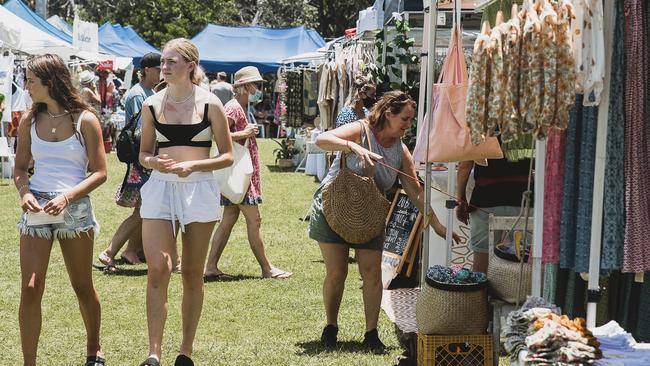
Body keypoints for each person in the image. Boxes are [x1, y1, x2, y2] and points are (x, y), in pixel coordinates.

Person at [309, 91, 458, 352]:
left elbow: (415, 191)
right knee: (336, 273)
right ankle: (330, 327)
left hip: (370, 215)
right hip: (334, 207)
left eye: (411, 120)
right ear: (388, 113)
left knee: (372, 274)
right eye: (405, 118)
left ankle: (371, 333)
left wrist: (436, 225)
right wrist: (353, 146)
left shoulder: (400, 151)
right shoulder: (361, 129)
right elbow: (322, 139)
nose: (408, 125)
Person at [137, 38, 233, 366]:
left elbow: (227, 156)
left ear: (190, 65)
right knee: (158, 269)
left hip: (199, 188)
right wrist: (152, 163)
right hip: (160, 189)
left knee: (192, 272)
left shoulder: (210, 104)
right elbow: (144, 154)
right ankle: (153, 353)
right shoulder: (151, 104)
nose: (164, 67)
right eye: (163, 62)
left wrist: (195, 165)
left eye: (171, 61)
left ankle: (185, 352)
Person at [14, 54, 108, 366]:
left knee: (82, 285)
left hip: (74, 208)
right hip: (37, 206)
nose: (26, 86)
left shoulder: (85, 120)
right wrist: (25, 192)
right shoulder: (29, 120)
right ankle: (30, 362)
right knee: (30, 287)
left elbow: (99, 172)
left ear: (51, 82)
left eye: (31, 81)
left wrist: (67, 197)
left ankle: (94, 349)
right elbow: (19, 168)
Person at [204, 66, 292, 281]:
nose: (258, 88)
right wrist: (244, 133)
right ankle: (267, 269)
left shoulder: (239, 106)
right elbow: (218, 134)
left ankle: (211, 267)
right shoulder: (234, 108)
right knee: (255, 220)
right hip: (240, 175)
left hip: (239, 173)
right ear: (245, 86)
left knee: (229, 219)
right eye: (255, 84)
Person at [98, 52, 161, 268]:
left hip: (148, 157)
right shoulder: (137, 94)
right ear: (146, 70)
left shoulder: (150, 91)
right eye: (158, 69)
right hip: (142, 159)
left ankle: (132, 251)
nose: (161, 72)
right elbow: (140, 129)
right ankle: (110, 251)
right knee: (143, 209)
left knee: (144, 208)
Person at [455, 157, 532, 273]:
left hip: (486, 199)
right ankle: (519, 290)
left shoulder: (479, 137)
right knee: (523, 261)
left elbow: (465, 166)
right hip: (522, 198)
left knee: (482, 262)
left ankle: (481, 290)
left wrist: (460, 200)